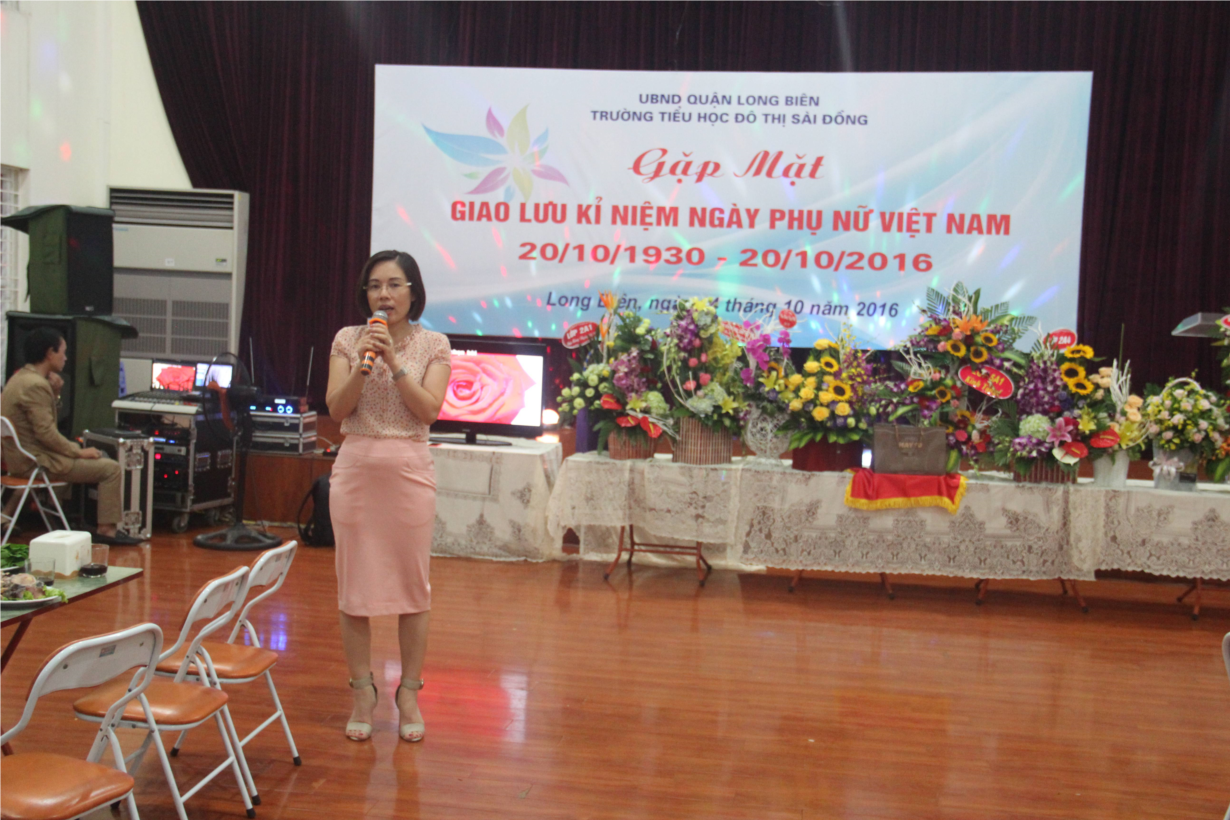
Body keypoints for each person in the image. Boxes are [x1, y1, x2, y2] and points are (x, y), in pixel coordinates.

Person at [326, 250, 451, 743]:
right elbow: (337, 410)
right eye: (375, 285)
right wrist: (362, 366)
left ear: (413, 293)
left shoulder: (434, 344)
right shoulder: (347, 339)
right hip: (356, 471)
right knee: (353, 589)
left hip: (408, 474)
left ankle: (409, 694)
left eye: (395, 285)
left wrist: (395, 363)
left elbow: (428, 411)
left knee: (412, 589)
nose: (384, 295)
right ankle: (363, 692)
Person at [0, 327, 142, 546]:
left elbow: (41, 422)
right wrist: (78, 452)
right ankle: (107, 530)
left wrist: (55, 393)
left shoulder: (19, 379)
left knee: (77, 457)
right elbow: (47, 433)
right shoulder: (35, 385)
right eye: (62, 352)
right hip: (36, 463)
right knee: (110, 469)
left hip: (19, 460)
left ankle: (11, 515)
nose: (65, 358)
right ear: (50, 353)